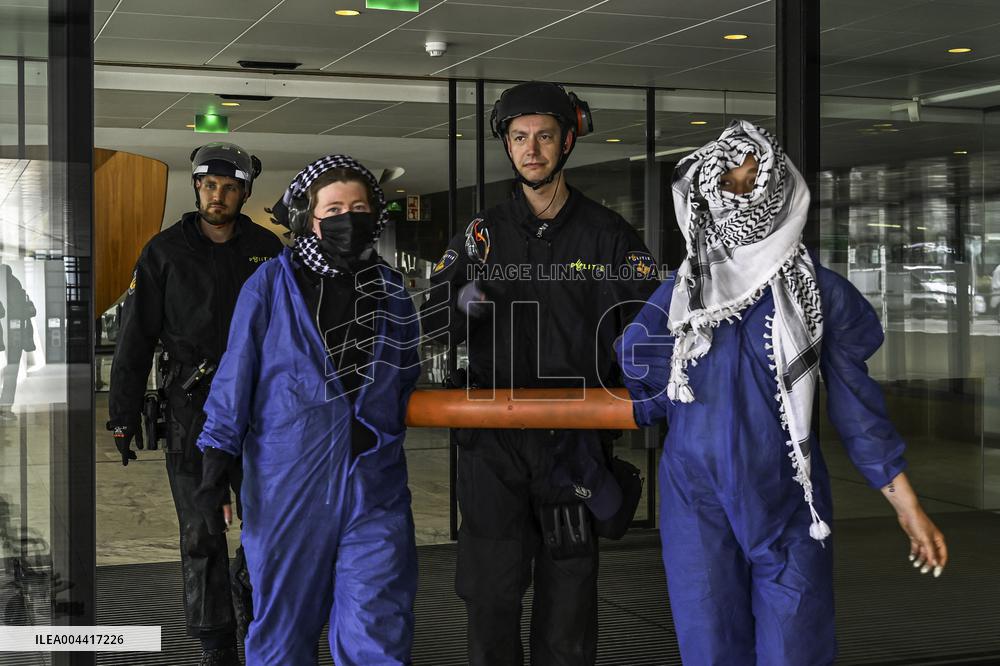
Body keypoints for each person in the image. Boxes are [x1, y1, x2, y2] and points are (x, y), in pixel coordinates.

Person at [616, 120, 948, 665]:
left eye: (753, 186)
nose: (741, 201)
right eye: (729, 187)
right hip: (699, 495)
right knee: (710, 641)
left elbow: (856, 408)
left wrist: (906, 505)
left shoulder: (803, 293)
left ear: (779, 191)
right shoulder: (682, 295)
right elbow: (645, 375)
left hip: (786, 494)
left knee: (793, 644)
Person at [421, 81, 660, 665]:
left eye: (545, 137)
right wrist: (461, 304)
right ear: (507, 146)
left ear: (568, 140)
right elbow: (431, 323)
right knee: (490, 602)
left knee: (569, 612)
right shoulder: (481, 237)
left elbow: (656, 328)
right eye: (520, 137)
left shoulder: (608, 237)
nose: (532, 149)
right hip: (492, 452)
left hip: (573, 449)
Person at [194, 155, 420, 666]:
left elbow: (405, 377)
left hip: (374, 488)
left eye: (359, 207)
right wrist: (214, 465)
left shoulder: (392, 293)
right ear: (307, 218)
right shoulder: (271, 286)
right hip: (286, 489)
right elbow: (236, 375)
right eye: (334, 208)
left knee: (379, 626)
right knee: (282, 633)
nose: (348, 218)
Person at [107, 142, 283, 666]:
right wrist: (122, 413)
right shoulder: (163, 252)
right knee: (201, 533)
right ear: (197, 187)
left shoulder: (267, 250)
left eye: (230, 188)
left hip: (260, 411)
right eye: (210, 186)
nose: (218, 196)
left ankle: (258, 621)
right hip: (192, 409)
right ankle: (215, 642)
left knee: (266, 527)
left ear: (244, 193)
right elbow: (135, 338)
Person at [0, 263, 35, 421]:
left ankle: (5, 408)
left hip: (10, 335)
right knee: (11, 371)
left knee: (10, 370)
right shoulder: (14, 285)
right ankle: (5, 408)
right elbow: (23, 311)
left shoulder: (11, 285)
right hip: (14, 335)